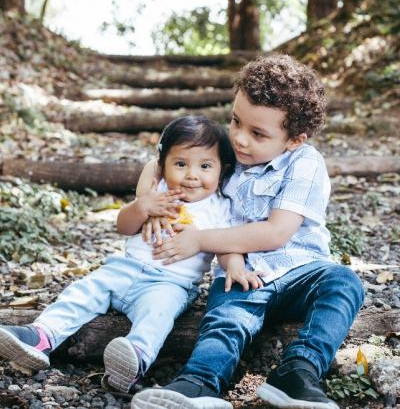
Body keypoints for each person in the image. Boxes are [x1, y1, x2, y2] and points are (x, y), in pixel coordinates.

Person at [130, 55, 365, 409]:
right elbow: (165, 157)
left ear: (293, 140)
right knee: (225, 320)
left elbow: (275, 233)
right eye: (236, 121)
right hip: (241, 273)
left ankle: (298, 372)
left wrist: (199, 240)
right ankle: (199, 383)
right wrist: (148, 186)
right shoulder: (227, 154)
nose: (239, 139)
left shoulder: (305, 163)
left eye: (257, 133)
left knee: (344, 283)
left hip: (301, 272)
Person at [0, 116, 262, 394]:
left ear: (222, 171)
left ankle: (133, 360)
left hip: (170, 283)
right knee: (82, 291)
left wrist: (235, 265)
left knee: (158, 314)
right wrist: (142, 206)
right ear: (164, 166)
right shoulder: (157, 192)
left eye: (205, 166)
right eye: (181, 164)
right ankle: (41, 336)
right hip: (122, 270)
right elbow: (123, 226)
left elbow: (226, 245)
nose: (192, 175)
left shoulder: (219, 207)